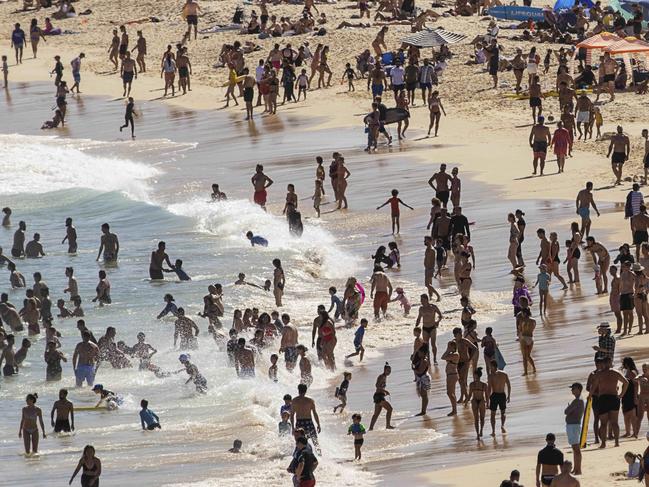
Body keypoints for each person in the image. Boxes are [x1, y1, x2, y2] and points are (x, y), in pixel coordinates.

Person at [591, 356, 629, 448]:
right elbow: (626, 382)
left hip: (603, 398)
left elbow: (594, 387)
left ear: (604, 363)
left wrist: (590, 395)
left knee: (603, 423)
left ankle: (603, 443)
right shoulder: (615, 372)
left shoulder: (599, 374)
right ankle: (616, 442)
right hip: (613, 398)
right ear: (610, 363)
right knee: (614, 422)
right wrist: (621, 394)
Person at [291, 383, 322, 453]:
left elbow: (292, 415)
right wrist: (318, 425)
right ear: (306, 391)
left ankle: (298, 458)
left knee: (299, 442)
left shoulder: (294, 401)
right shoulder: (310, 401)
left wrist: (293, 427)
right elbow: (315, 413)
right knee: (315, 441)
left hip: (299, 423)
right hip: (309, 422)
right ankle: (320, 457)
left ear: (298, 390)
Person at [487, 359, 511, 437]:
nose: (490, 368)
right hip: (502, 395)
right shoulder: (504, 374)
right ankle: (502, 426)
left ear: (493, 366)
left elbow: (489, 389)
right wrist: (509, 396)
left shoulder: (491, 376)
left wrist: (487, 400)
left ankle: (493, 431)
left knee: (492, 414)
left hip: (494, 395)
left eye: (490, 366)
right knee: (503, 412)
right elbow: (509, 385)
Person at [565, 383, 584, 475]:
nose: (572, 390)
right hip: (573, 425)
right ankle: (576, 468)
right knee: (574, 448)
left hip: (574, 426)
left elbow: (566, 411)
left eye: (573, 388)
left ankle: (578, 469)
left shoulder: (577, 401)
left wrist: (569, 408)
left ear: (578, 389)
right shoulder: (577, 400)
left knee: (576, 448)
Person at [369, 362, 394, 430]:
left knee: (376, 414)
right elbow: (377, 386)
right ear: (384, 370)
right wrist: (385, 391)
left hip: (379, 396)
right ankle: (388, 425)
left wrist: (384, 392)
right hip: (379, 396)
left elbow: (380, 387)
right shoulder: (381, 376)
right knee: (390, 409)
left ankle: (371, 428)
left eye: (390, 371)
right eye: (388, 370)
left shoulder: (385, 377)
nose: (389, 372)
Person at [467, 367, 487, 440]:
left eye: (474, 375)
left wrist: (466, 401)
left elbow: (469, 395)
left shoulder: (472, 384)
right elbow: (487, 396)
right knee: (482, 418)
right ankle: (480, 431)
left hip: (475, 400)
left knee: (476, 419)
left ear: (476, 375)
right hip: (481, 400)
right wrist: (487, 403)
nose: (474, 376)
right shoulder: (484, 385)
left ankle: (478, 434)